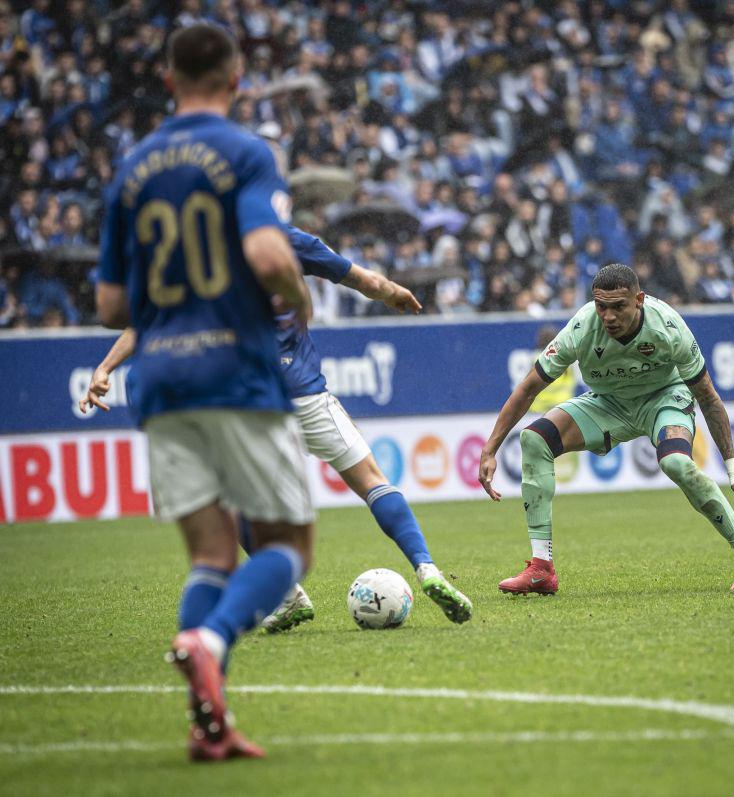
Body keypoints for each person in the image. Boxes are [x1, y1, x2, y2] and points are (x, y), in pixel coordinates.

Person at [95, 24, 315, 761]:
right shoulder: (248, 152)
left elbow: (110, 308)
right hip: (236, 371)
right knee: (288, 543)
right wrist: (294, 294)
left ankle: (207, 725)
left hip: (158, 379)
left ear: (166, 79)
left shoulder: (129, 170)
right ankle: (209, 636)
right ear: (238, 76)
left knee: (211, 553)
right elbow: (263, 248)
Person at [83, 225, 474, 628]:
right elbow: (365, 280)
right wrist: (392, 292)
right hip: (305, 393)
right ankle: (427, 569)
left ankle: (288, 595)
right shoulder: (287, 240)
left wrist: (106, 367)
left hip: (250, 400)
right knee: (372, 480)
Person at [478, 263, 734, 595]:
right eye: (601, 307)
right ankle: (541, 569)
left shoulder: (668, 326)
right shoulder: (581, 328)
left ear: (639, 300)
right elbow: (527, 388)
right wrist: (490, 449)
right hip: (610, 403)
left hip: (665, 399)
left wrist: (732, 468)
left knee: (676, 463)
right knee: (534, 439)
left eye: (618, 306)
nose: (609, 317)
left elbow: (708, 396)